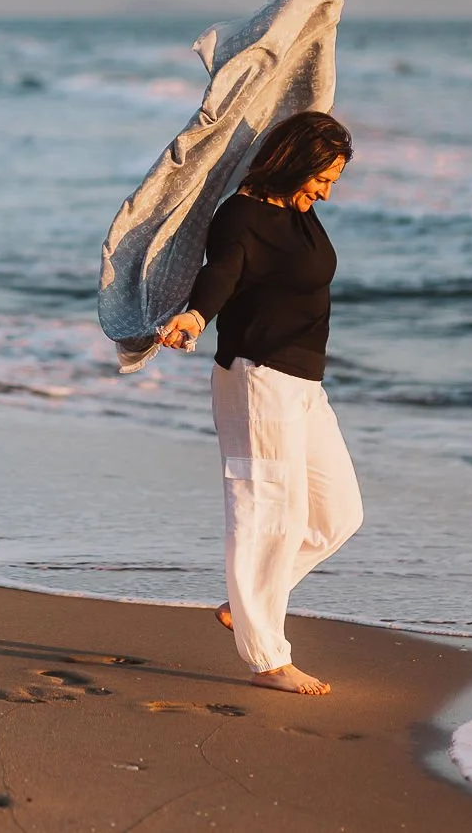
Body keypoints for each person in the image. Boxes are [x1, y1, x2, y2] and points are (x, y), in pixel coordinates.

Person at [157, 110, 363, 697]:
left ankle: (243, 605)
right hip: (256, 380)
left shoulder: (300, 214)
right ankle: (266, 656)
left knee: (337, 515)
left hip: (304, 385)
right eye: (321, 178)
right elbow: (222, 271)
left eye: (332, 181)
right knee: (268, 515)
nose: (325, 191)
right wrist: (196, 314)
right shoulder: (241, 216)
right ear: (294, 162)